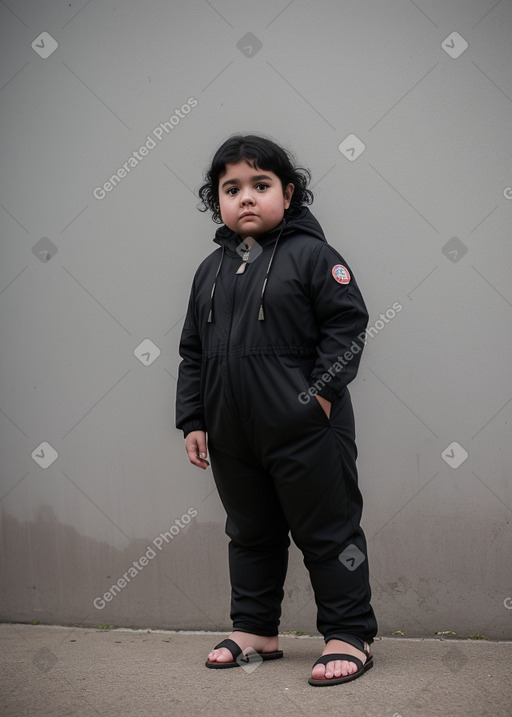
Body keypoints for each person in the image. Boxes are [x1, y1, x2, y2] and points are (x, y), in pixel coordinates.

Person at [175, 134, 378, 686]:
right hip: (232, 433)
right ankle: (256, 629)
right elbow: (192, 351)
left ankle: (349, 632)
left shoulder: (314, 257)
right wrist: (193, 419)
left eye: (260, 186)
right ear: (216, 200)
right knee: (249, 532)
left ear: (288, 194)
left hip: (306, 430)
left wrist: (320, 399)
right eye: (231, 188)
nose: (246, 198)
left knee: (329, 532)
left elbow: (347, 329)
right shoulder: (208, 272)